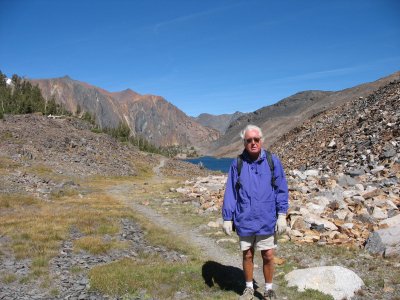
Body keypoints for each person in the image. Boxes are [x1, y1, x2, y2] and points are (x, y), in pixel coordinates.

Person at [222, 124, 289, 300]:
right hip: (244, 218)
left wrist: (282, 214)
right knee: (248, 254)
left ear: (261, 140)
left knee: (267, 254)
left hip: (266, 218)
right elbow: (231, 192)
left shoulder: (272, 161)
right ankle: (249, 288)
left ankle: (268, 289)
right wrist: (227, 218)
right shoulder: (237, 164)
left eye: (256, 140)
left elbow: (281, 188)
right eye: (249, 140)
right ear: (244, 142)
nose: (253, 143)